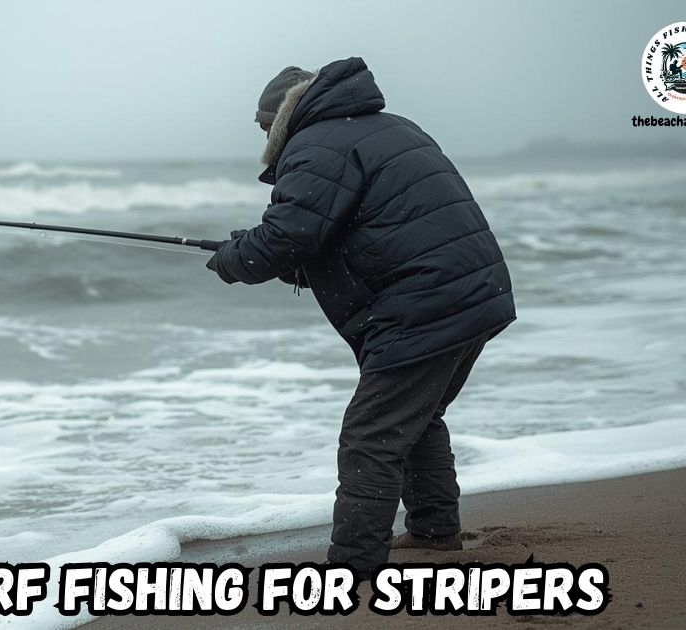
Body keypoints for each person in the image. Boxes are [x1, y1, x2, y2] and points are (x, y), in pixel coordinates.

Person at [206, 57, 516, 579]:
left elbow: (287, 237)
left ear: (283, 117)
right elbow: (360, 233)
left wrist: (236, 259)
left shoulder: (317, 144)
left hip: (425, 305)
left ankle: (354, 567)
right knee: (413, 421)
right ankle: (434, 535)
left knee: (371, 437)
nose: (261, 134)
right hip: (472, 293)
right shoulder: (386, 130)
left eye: (263, 124)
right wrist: (272, 256)